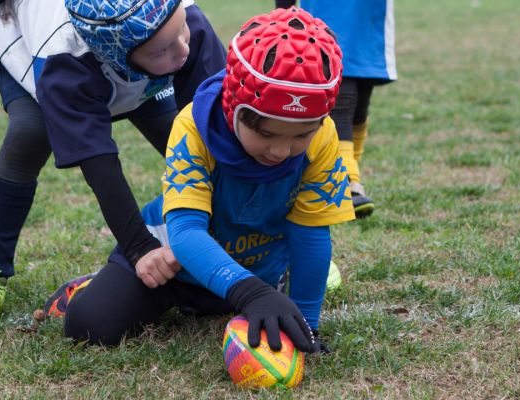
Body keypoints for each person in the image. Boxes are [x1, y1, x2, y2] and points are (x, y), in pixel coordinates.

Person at [47, 6, 355, 354]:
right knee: (88, 326)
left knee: (249, 301)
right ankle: (92, 285)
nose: (282, 150)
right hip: (174, 264)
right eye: (266, 133)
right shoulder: (193, 126)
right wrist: (252, 292)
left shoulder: (323, 137)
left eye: (301, 136)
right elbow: (187, 234)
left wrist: (307, 325)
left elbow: (311, 236)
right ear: (232, 106)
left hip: (255, 271)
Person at [0, 0, 226, 328]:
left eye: (181, 31)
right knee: (29, 135)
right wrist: (141, 249)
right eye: (167, 47)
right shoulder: (62, 58)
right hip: (34, 58)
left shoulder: (182, 23)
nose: (184, 49)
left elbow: (219, 132)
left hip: (141, 70)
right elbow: (99, 164)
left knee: (196, 146)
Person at [275, 0, 397, 218]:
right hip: (323, 13)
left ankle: (345, 172)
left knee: (360, 100)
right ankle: (347, 181)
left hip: (367, 16)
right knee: (342, 96)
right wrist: (283, 12)